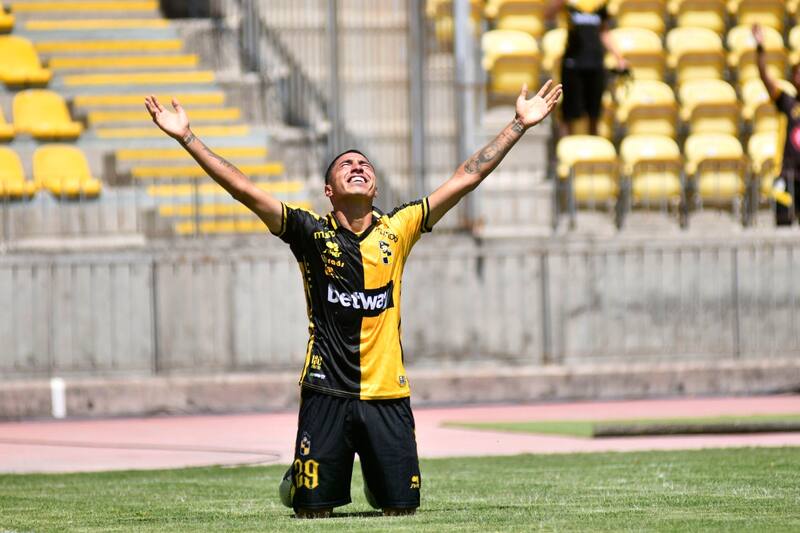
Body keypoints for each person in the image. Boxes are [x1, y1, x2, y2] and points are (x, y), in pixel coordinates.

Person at [144, 80, 562, 518]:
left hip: (387, 394)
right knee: (311, 514)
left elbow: (467, 177)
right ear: (329, 190)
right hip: (326, 392)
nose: (357, 167)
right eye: (345, 165)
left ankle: (378, 480)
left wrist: (518, 124)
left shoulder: (398, 228)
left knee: (401, 510)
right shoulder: (309, 232)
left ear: (376, 187)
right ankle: (311, 477)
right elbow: (245, 190)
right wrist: (188, 138)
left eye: (364, 164)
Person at [545, 0, 626, 137]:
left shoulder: (598, 4)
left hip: (596, 62)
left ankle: (593, 150)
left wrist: (619, 57)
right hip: (572, 62)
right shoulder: (570, 4)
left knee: (594, 113)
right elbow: (548, 15)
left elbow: (604, 31)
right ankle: (566, 148)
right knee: (568, 114)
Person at [753, 24, 800, 225]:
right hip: (787, 174)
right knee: (783, 224)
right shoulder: (786, 101)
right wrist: (760, 49)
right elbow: (765, 77)